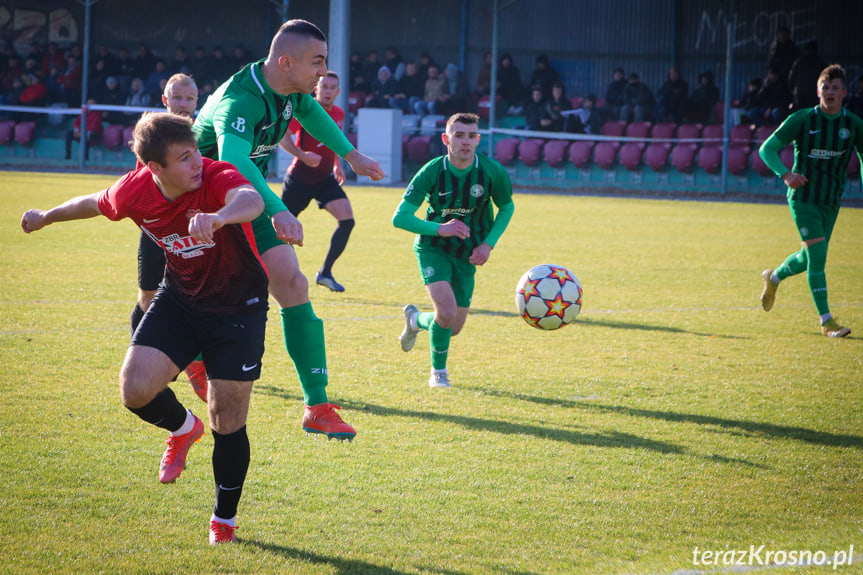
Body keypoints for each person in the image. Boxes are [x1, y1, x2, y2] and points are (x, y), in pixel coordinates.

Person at [21, 111, 268, 544]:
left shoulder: (214, 176)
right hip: (180, 301)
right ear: (155, 168)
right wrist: (46, 216)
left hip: (237, 307)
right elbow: (94, 203)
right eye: (185, 157)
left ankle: (223, 519)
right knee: (135, 389)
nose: (197, 163)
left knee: (226, 419)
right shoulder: (135, 191)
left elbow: (252, 199)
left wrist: (221, 216)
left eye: (195, 152)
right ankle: (182, 428)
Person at [192, 19, 385, 439]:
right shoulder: (240, 100)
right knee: (181, 297)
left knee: (294, 285)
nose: (323, 72)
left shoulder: (291, 93)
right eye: (317, 62)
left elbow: (312, 112)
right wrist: (279, 208)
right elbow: (232, 161)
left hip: (244, 198)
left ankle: (317, 406)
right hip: (197, 205)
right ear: (285, 62)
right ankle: (188, 356)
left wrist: (350, 155)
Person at [393, 113, 514, 388]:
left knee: (453, 327)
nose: (465, 141)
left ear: (478, 140)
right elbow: (400, 217)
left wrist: (488, 244)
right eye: (459, 135)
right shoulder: (432, 171)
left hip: (468, 253)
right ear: (446, 139)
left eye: (471, 136)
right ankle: (439, 374)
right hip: (433, 247)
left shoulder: (492, 172)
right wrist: (440, 229)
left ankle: (415, 320)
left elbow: (507, 208)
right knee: (445, 312)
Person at [758, 64, 863, 338]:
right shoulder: (802, 119)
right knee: (818, 258)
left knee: (807, 258)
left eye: (835, 88)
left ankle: (775, 277)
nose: (830, 92)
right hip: (803, 198)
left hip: (831, 200)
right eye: (825, 87)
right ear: (818, 91)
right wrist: (785, 174)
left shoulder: (852, 125)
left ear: (844, 93)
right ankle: (827, 321)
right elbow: (767, 148)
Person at [131, 73, 208, 401]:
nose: (183, 104)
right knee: (148, 297)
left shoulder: (203, 133)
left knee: (198, 296)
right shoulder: (152, 134)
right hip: (156, 231)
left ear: (197, 102)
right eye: (177, 97)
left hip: (192, 232)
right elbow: (137, 182)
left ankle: (197, 364)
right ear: (165, 100)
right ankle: (139, 352)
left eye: (189, 99)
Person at [279, 72, 353, 292]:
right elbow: (283, 137)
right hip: (298, 180)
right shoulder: (306, 110)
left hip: (324, 179)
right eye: (325, 86)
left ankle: (325, 273)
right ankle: (267, 274)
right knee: (279, 232)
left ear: (338, 92)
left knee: (347, 220)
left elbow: (333, 140)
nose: (328, 91)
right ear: (316, 89)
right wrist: (302, 155)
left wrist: (337, 164)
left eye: (333, 87)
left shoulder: (338, 113)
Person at [788, 41, 826, 111]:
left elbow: (792, 78)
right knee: (813, 113)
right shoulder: (820, 62)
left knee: (801, 113)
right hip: (815, 93)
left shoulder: (799, 61)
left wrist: (792, 90)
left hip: (801, 93)